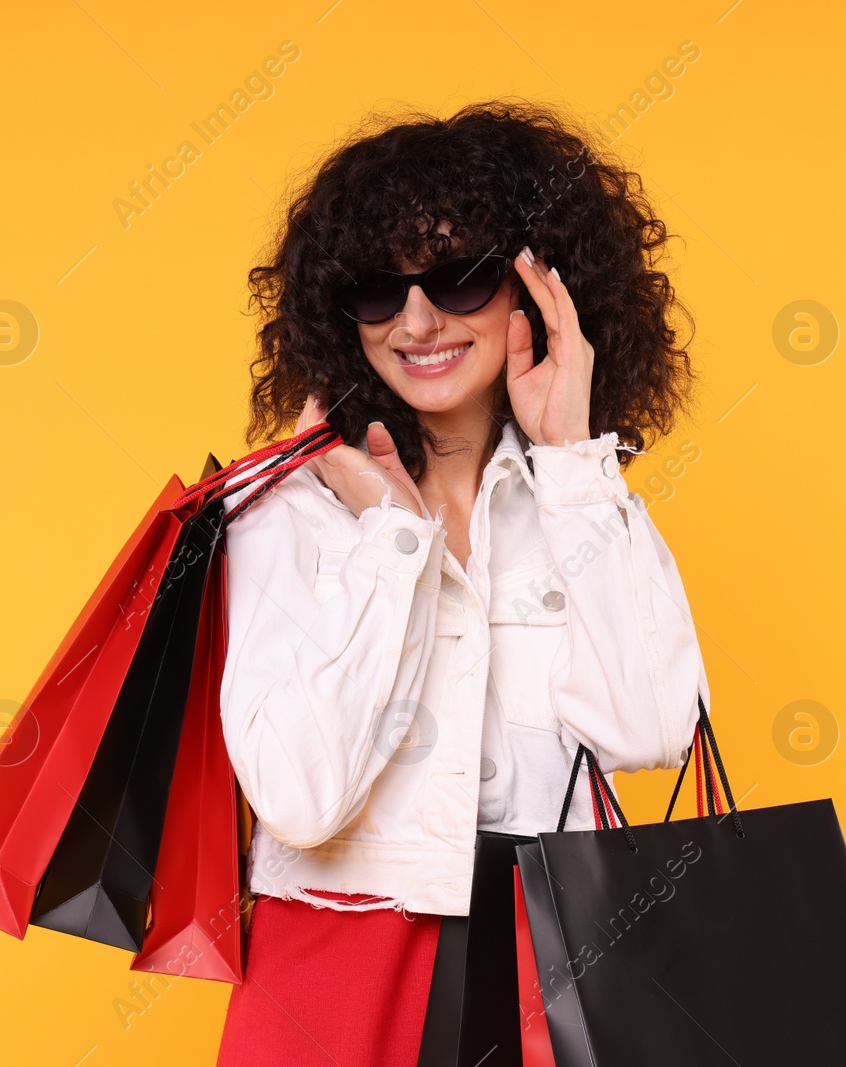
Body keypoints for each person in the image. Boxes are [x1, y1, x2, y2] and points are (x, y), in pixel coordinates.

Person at [213, 99, 707, 1066]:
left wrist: (573, 461)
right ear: (334, 312)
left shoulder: (579, 502)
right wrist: (396, 542)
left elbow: (653, 731)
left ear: (539, 288)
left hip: (557, 961)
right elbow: (299, 801)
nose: (418, 318)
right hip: (340, 960)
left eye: (460, 274)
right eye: (377, 290)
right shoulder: (287, 516)